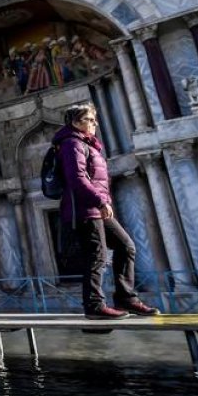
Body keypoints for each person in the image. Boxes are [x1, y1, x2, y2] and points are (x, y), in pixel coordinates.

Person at [54, 104, 157, 320]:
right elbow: (77, 178)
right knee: (97, 256)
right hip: (83, 209)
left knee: (125, 245)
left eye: (94, 119)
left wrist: (102, 201)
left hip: (94, 208)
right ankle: (94, 305)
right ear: (75, 122)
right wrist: (101, 200)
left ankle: (126, 297)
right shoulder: (71, 144)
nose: (95, 124)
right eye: (90, 119)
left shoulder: (86, 144)